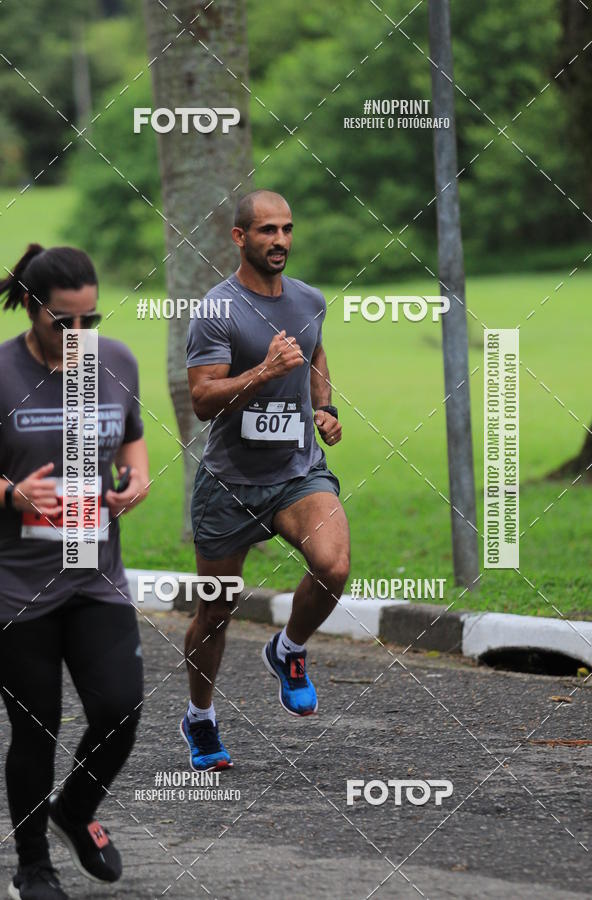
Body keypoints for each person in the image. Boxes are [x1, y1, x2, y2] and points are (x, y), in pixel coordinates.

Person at [0, 245, 149, 900]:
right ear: (32, 307)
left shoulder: (113, 361)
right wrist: (10, 496)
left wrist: (137, 476)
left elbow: (131, 432)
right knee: (38, 728)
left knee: (119, 707)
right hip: (13, 584)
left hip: (93, 570)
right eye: (65, 322)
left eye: (90, 319)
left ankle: (74, 812)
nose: (80, 335)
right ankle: (33, 863)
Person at [181, 190, 350, 772]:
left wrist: (324, 407)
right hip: (230, 483)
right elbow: (202, 400)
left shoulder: (308, 299)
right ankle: (200, 717)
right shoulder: (218, 310)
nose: (279, 241)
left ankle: (289, 649)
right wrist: (264, 371)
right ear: (239, 237)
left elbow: (315, 354)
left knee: (333, 566)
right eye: (266, 231)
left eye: (286, 229)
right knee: (216, 611)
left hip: (297, 471)